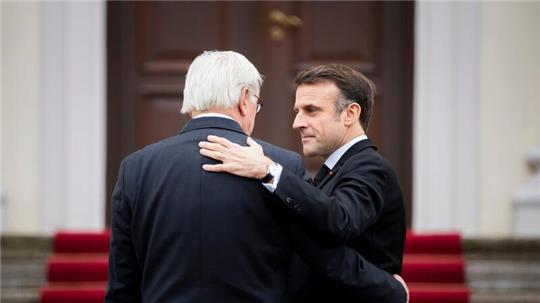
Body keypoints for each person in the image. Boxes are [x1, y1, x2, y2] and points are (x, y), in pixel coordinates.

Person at [106, 51, 407, 303]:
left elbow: (123, 280)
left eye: (310, 110)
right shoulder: (283, 164)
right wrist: (388, 288)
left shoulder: (136, 167)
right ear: (245, 99)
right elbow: (311, 257)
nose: (297, 123)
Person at [200, 64, 407, 302]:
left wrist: (268, 170)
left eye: (311, 110)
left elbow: (340, 220)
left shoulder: (371, 168)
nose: (297, 122)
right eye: (298, 111)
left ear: (350, 113)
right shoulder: (337, 168)